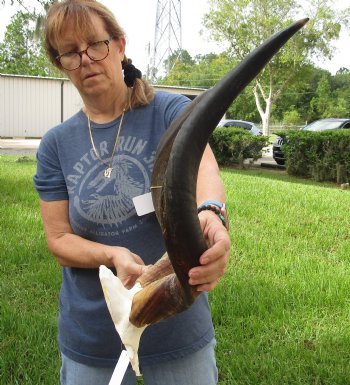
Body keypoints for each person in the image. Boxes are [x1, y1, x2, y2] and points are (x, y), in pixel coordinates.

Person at [33, 1, 231, 384]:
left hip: (177, 327)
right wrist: (112, 254)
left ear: (120, 45)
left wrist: (210, 213)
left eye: (96, 44)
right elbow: (58, 239)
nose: (86, 59)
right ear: (61, 65)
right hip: (94, 342)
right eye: (70, 53)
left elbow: (202, 166)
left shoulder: (168, 112)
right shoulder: (56, 144)